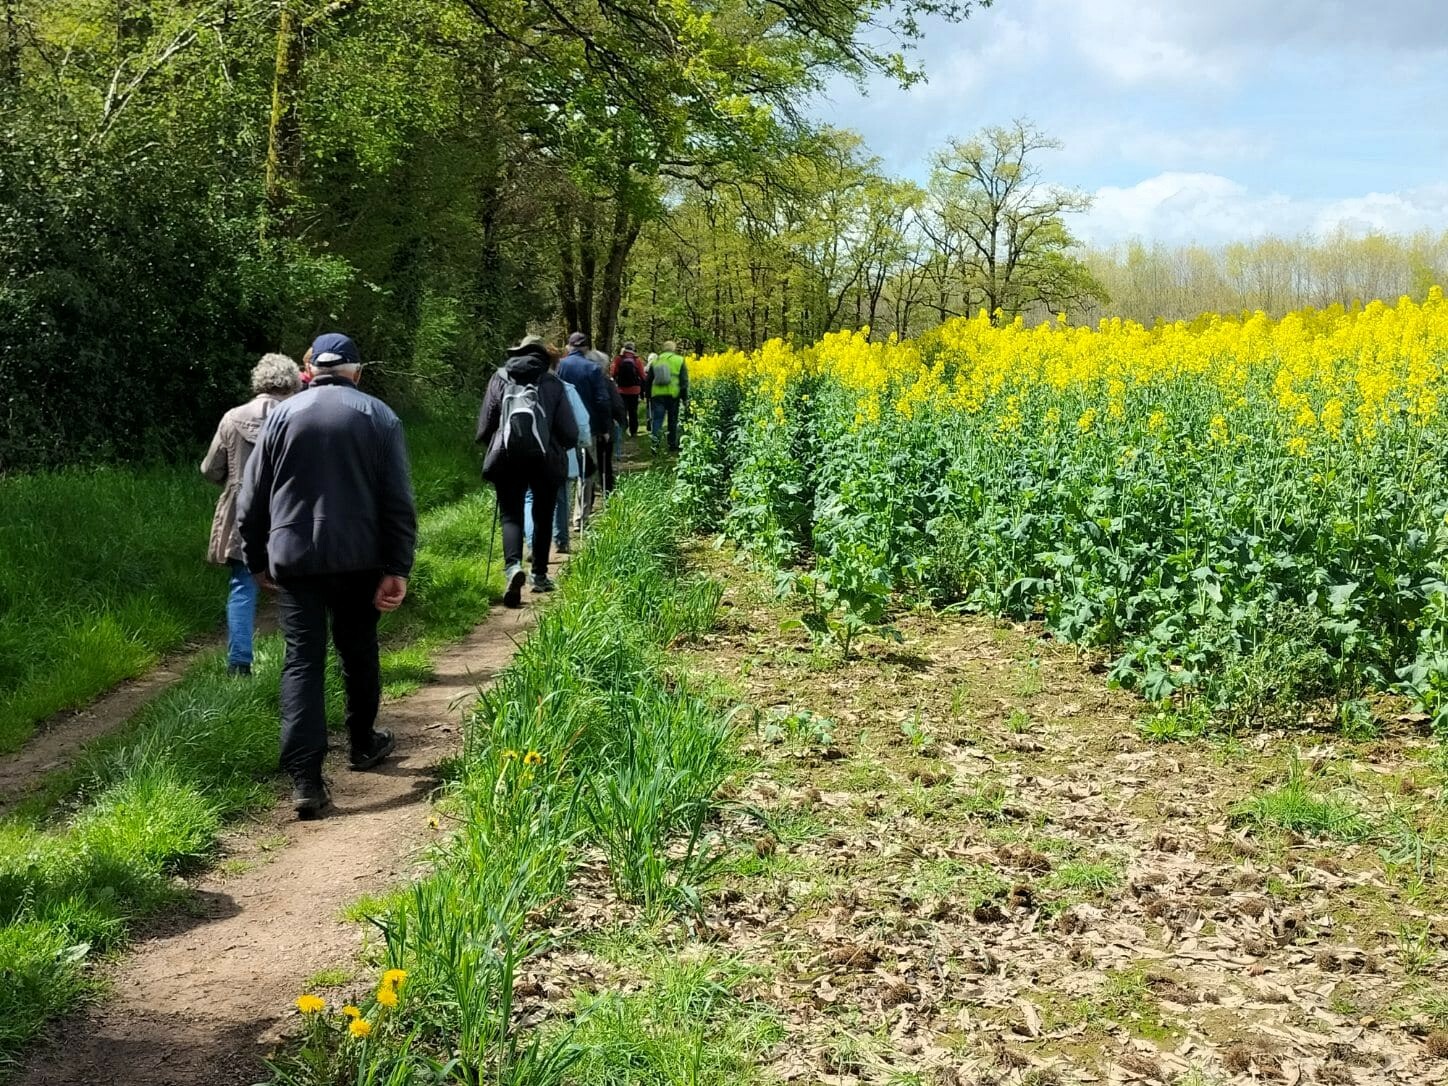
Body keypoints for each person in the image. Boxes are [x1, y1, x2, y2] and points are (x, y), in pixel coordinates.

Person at [238, 333, 416, 818]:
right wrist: (398, 566)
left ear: (310, 368)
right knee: (358, 649)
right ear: (356, 371)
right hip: (362, 558)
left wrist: (256, 558)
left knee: (303, 661)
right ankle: (362, 744)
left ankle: (306, 781)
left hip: (296, 560)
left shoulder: (280, 418)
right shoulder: (379, 416)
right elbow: (398, 499)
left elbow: (250, 501)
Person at [201, 353, 302, 677]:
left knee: (242, 587)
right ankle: (297, 661)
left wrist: (232, 481)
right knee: (296, 588)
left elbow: (210, 468)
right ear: (293, 382)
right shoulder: (297, 417)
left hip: (242, 512)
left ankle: (239, 664)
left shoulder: (232, 418)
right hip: (287, 511)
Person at [477, 335, 579, 603]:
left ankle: (512, 568)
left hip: (508, 458)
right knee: (543, 515)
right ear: (544, 357)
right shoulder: (552, 383)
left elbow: (486, 425)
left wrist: (495, 444)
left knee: (510, 515)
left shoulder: (499, 378)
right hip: (544, 461)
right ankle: (540, 576)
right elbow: (569, 432)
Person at [525, 368, 590, 560]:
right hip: (559, 452)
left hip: (528, 452)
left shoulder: (518, 387)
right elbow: (582, 422)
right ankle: (561, 539)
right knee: (560, 494)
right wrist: (582, 443)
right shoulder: (565, 388)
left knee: (529, 496)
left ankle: (532, 543)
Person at [557, 333, 611, 530]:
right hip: (587, 428)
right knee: (585, 471)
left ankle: (559, 520)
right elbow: (602, 400)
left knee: (561, 470)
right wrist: (605, 428)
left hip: (561, 427)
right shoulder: (593, 368)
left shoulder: (559, 366)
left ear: (569, 347)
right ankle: (581, 517)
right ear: (586, 348)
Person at [647, 340, 689, 453]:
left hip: (657, 394)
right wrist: (685, 398)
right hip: (673, 394)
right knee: (672, 420)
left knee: (657, 420)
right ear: (673, 349)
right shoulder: (679, 360)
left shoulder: (656, 360)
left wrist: (648, 395)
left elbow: (649, 380)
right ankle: (672, 444)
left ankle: (655, 445)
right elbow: (684, 381)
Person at [611, 341, 645, 438]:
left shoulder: (618, 359)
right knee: (633, 411)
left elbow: (613, 373)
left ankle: (623, 429)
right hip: (634, 390)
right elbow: (642, 375)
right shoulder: (637, 360)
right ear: (633, 349)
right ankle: (633, 432)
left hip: (621, 390)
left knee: (623, 411)